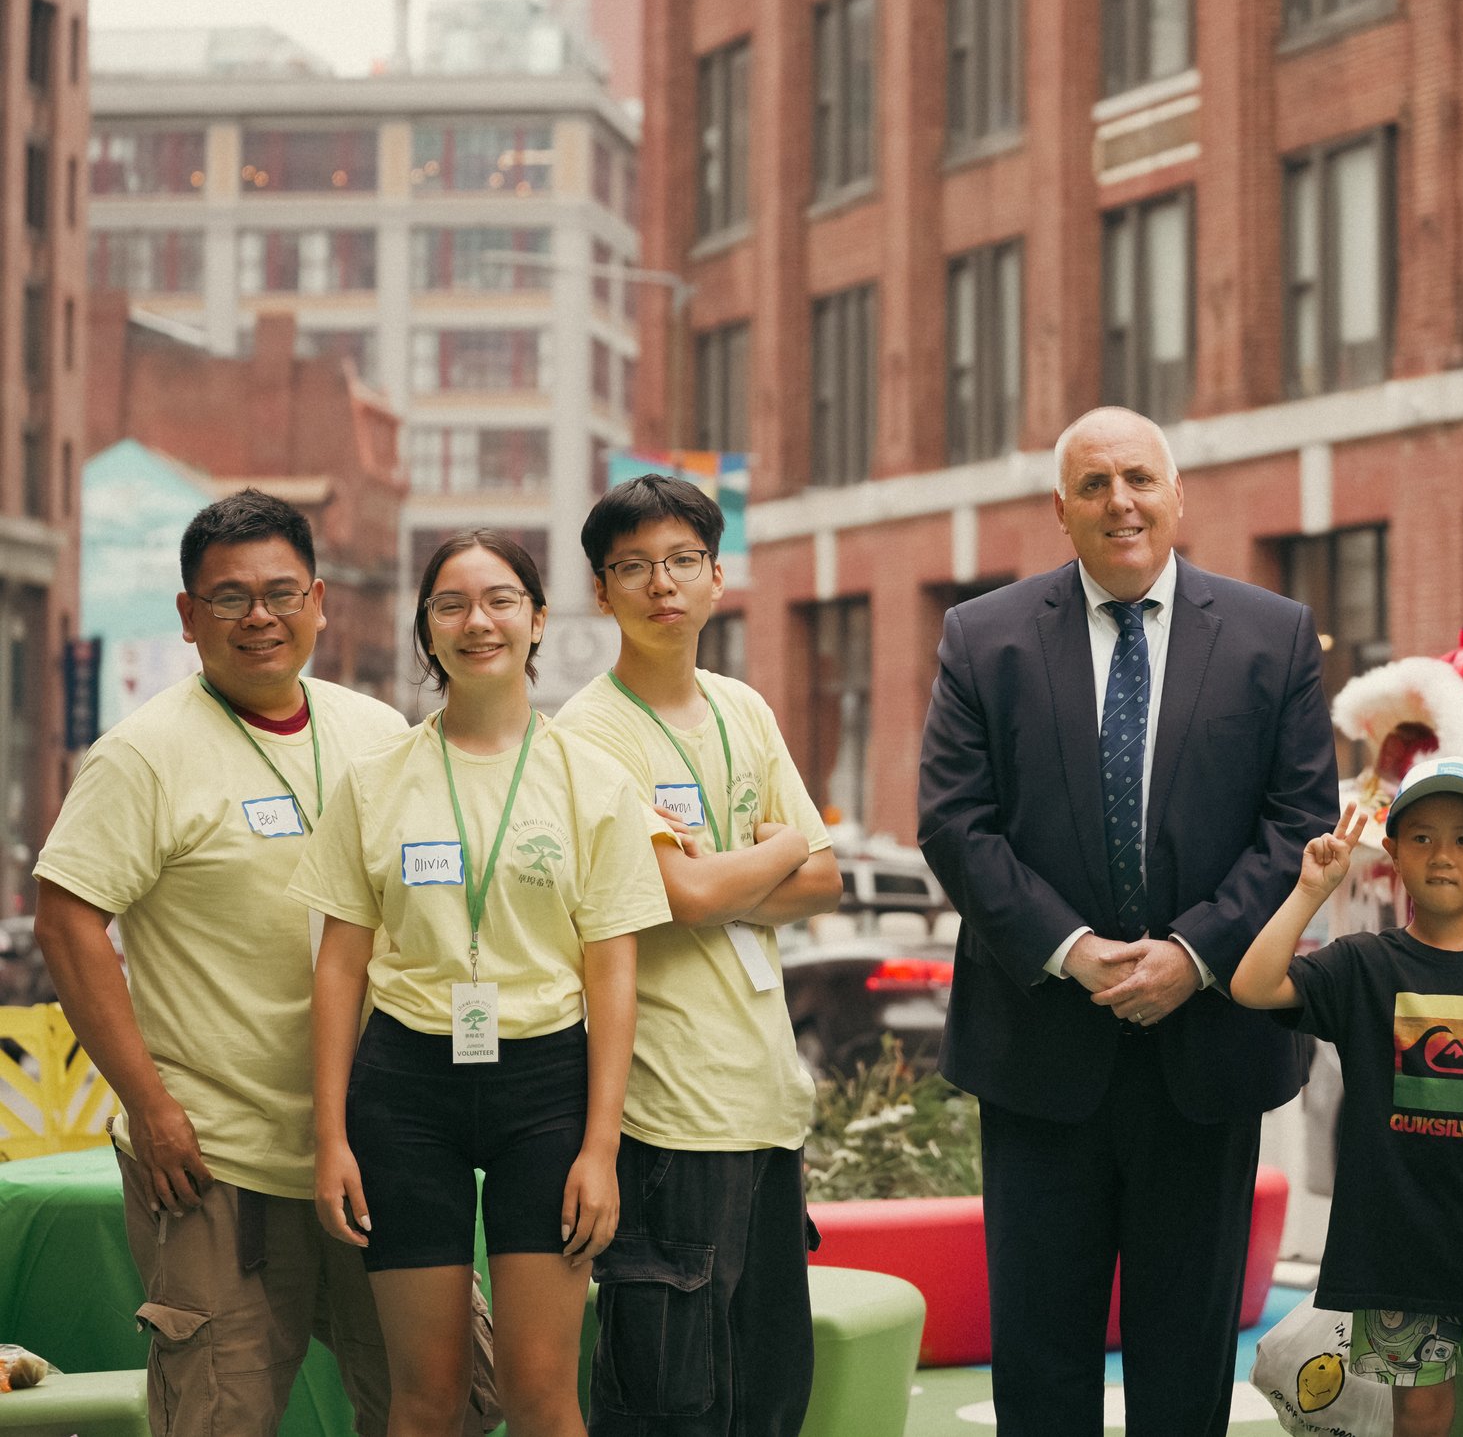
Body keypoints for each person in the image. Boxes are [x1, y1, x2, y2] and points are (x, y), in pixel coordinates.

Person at [33, 489, 496, 1437]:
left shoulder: (377, 733)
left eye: (282, 592)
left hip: (377, 1145)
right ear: (188, 615)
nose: (260, 617)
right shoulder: (144, 755)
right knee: (218, 1416)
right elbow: (68, 920)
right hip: (218, 1162)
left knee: (442, 1397)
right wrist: (153, 1105)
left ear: (320, 600)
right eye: (230, 596)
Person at [917, 407, 1338, 1435]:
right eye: (1095, 483)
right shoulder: (985, 636)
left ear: (1177, 494)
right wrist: (1074, 950)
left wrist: (1192, 954)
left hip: (1206, 1055)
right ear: (1060, 509)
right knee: (1041, 1356)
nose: (1122, 501)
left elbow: (1297, 824)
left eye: (1140, 478)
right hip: (1039, 1050)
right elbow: (954, 822)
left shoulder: (1270, 634)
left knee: (1186, 1362)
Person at [292, 531, 672, 1437]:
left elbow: (612, 972)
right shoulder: (377, 781)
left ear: (539, 618)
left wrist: (601, 1148)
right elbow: (340, 965)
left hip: (545, 1088)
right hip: (405, 1088)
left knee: (543, 1393)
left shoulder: (594, 782)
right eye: (450, 604)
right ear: (427, 630)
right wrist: (332, 1136)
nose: (477, 621)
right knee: (426, 1397)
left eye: (501, 599)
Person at [556, 476, 847, 1436]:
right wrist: (769, 850)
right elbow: (677, 896)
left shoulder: (743, 707)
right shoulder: (589, 733)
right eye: (633, 567)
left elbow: (827, 878)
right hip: (668, 1113)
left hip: (767, 1103)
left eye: (682, 560)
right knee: (669, 1407)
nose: (661, 584)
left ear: (719, 576)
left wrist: (725, 874)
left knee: (767, 1401)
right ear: (602, 592)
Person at [1235, 761, 1463, 1437]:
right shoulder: (1361, 964)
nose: (1442, 854)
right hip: (1395, 1246)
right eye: (1421, 837)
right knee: (1418, 1412)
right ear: (1391, 855)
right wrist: (1309, 890)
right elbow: (1253, 984)